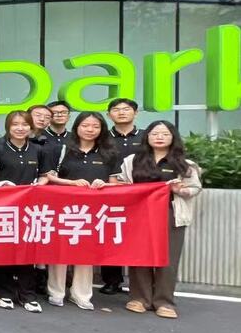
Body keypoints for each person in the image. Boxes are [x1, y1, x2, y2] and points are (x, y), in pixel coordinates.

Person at [113, 120, 201, 319]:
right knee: (139, 255)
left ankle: (164, 301)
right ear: (147, 137)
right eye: (155, 134)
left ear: (173, 138)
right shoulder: (133, 160)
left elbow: (195, 188)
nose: (159, 137)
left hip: (170, 213)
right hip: (139, 214)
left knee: (168, 258)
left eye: (165, 134)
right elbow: (123, 183)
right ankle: (139, 298)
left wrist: (180, 190)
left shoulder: (184, 164)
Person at [44, 112, 120, 310]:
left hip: (94, 210)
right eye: (85, 125)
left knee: (86, 252)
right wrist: (71, 183)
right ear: (77, 127)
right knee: (60, 250)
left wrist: (104, 184)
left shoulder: (109, 152)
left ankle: (81, 294)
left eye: (95, 126)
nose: (90, 130)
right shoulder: (61, 149)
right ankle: (56, 291)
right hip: (63, 207)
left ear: (101, 129)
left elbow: (116, 183)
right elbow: (49, 177)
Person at [0, 111, 48, 313]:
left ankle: (27, 294)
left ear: (31, 127)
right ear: (8, 127)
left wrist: (38, 185)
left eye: (25, 124)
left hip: (29, 208)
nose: (20, 128)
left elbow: (45, 175)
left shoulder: (38, 150)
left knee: (27, 250)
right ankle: (2, 292)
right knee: (3, 249)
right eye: (15, 124)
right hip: (3, 206)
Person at [101, 97, 145, 295]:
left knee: (138, 238)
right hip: (110, 192)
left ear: (136, 113)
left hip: (140, 194)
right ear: (109, 115)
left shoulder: (146, 136)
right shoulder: (103, 138)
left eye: (126, 109)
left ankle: (140, 284)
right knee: (110, 235)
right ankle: (112, 281)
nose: (121, 112)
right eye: (116, 109)